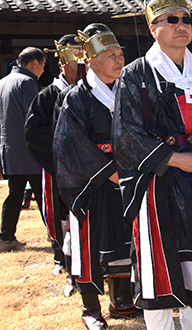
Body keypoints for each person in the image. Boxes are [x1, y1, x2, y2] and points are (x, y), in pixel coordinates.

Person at [112, 0, 192, 330]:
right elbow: (126, 133)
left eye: (187, 19)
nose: (182, 26)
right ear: (152, 28)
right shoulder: (135, 74)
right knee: (158, 267)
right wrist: (176, 159)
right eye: (172, 19)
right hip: (157, 184)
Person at [53, 24, 140, 330]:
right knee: (88, 246)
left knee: (123, 240)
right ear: (91, 61)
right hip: (91, 184)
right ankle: (91, 309)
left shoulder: (128, 93)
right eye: (111, 55)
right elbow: (70, 144)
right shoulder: (76, 98)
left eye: (120, 54)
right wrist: (110, 173)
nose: (119, 61)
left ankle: (121, 299)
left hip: (128, 179)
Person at [24, 34, 84, 287]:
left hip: (91, 170)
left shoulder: (92, 92)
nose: (82, 69)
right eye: (76, 64)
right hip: (60, 168)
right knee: (62, 216)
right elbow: (34, 134)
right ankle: (64, 259)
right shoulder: (48, 95)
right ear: (63, 65)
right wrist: (62, 161)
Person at [0, 47, 46, 253]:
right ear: (34, 63)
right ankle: (57, 234)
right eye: (42, 65)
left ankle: (6, 238)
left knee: (14, 194)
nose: (42, 70)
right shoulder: (27, 82)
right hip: (30, 149)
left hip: (9, 147)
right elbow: (34, 117)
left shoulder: (1, 83)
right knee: (43, 194)